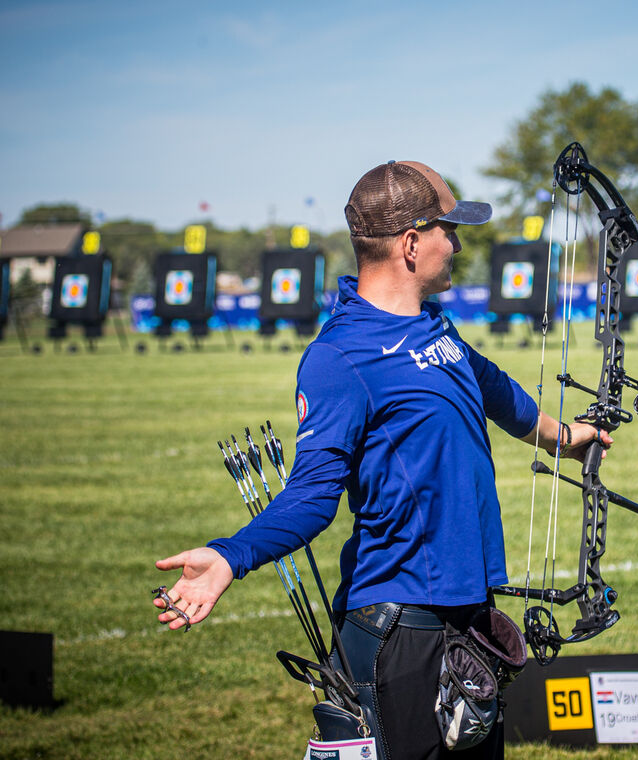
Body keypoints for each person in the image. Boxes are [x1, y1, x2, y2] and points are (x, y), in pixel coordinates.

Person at [153, 159, 611, 759]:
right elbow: (313, 494)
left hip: (466, 619)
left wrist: (562, 435)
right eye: (450, 229)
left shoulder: (433, 329)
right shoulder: (340, 357)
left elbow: (489, 384)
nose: (459, 242)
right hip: (401, 631)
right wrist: (228, 557)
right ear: (412, 243)